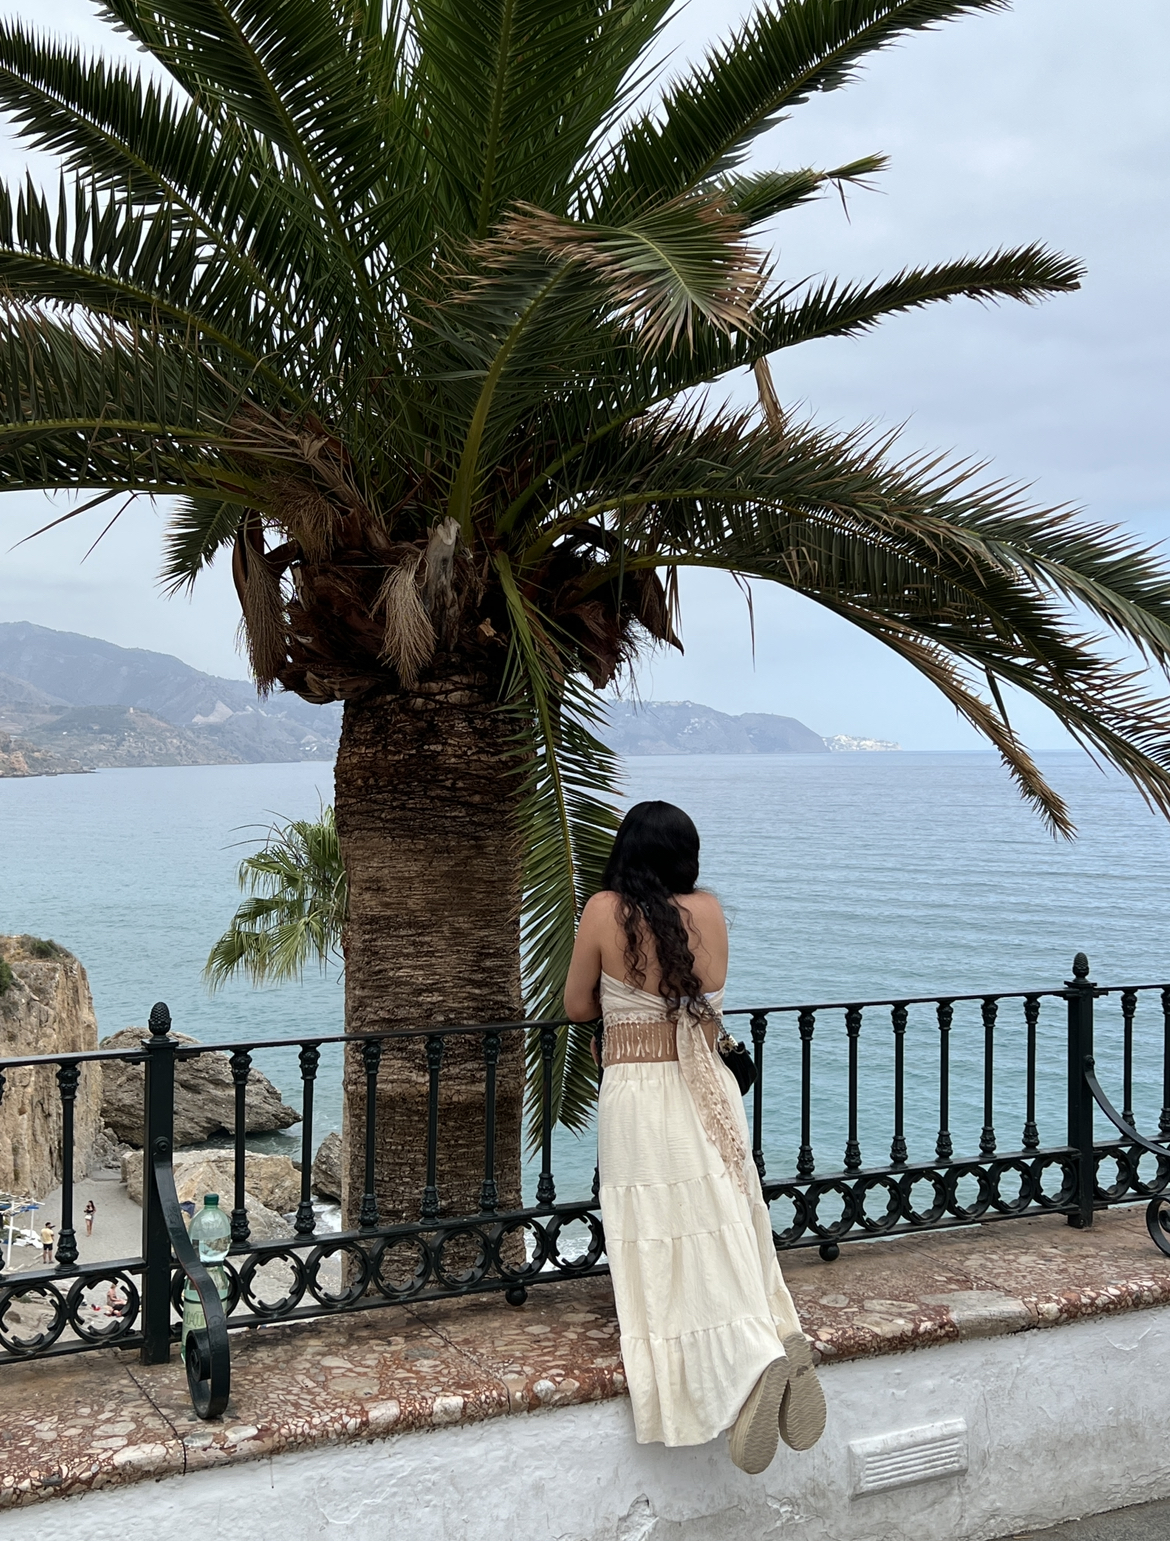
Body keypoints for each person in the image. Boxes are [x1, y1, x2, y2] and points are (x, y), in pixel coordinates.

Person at [565, 801, 826, 1475]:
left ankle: (742, 1362)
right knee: (722, 1216)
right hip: (706, 1085)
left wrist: (620, 1005)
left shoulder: (602, 912)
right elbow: (708, 998)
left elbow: (575, 1005)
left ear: (625, 851)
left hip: (640, 1093)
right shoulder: (708, 909)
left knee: (658, 1224)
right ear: (687, 854)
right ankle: (770, 1334)